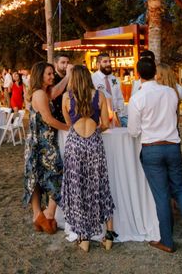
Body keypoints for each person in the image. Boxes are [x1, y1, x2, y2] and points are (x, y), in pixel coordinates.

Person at [129, 59, 182, 253]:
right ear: (156, 73)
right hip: (173, 146)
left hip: (152, 148)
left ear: (138, 75)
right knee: (180, 190)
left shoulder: (137, 98)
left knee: (162, 196)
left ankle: (167, 241)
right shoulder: (170, 92)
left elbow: (133, 131)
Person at [61, 66, 116, 252]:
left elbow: (69, 124)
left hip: (75, 145)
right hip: (94, 144)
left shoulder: (67, 97)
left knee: (78, 188)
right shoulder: (99, 95)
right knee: (100, 186)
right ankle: (109, 235)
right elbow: (106, 124)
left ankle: (84, 238)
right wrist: (95, 131)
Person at [23, 61, 72, 235]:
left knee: (35, 176)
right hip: (42, 142)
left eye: (52, 73)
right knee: (57, 173)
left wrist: (67, 76)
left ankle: (39, 216)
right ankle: (45, 214)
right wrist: (69, 128)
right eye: (49, 74)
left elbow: (57, 90)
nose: (52, 76)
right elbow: (49, 119)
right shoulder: (39, 94)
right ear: (40, 76)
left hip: (38, 141)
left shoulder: (44, 92)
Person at [92, 53, 126, 127]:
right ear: (98, 64)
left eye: (109, 61)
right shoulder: (92, 79)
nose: (108, 64)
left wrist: (120, 116)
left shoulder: (114, 79)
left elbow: (120, 98)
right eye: (105, 62)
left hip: (116, 119)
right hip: (100, 119)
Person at [51, 55, 70, 123]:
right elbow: (53, 94)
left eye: (67, 62)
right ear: (55, 64)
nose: (66, 65)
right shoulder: (52, 78)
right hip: (56, 117)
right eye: (63, 62)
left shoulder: (70, 77)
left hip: (68, 117)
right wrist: (67, 76)